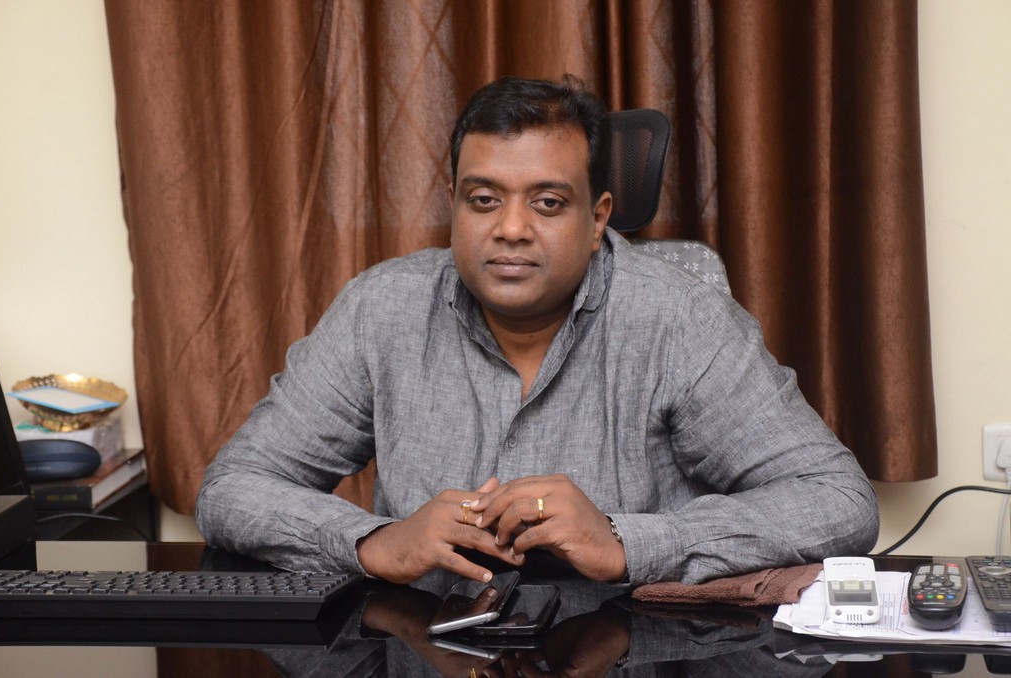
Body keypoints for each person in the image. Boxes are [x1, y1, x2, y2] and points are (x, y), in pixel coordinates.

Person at [196, 75, 879, 587]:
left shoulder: (681, 320)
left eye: (548, 203)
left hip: (631, 652)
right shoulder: (381, 310)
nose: (512, 228)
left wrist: (628, 541)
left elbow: (837, 502)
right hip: (428, 649)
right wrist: (373, 541)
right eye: (483, 199)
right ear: (455, 205)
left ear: (597, 218)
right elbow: (234, 487)